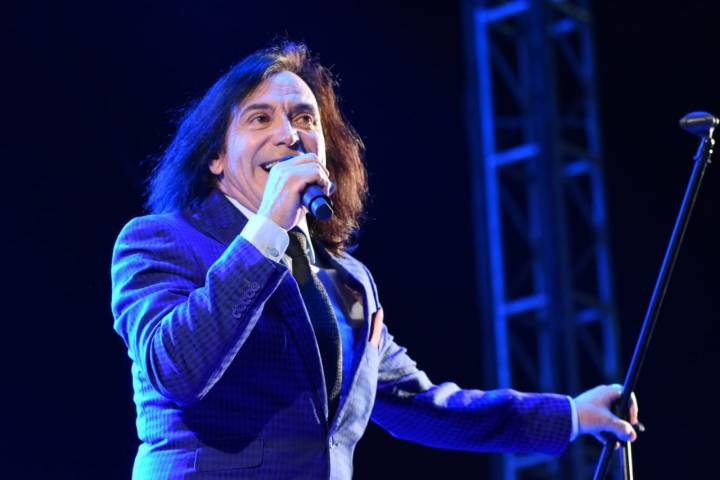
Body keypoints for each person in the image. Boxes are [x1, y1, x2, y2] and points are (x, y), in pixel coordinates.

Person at [111, 40, 639, 479]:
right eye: (259, 118)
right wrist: (267, 227)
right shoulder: (162, 242)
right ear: (216, 156)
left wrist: (570, 415)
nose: (288, 134)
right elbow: (176, 368)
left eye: (304, 118)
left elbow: (419, 404)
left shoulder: (345, 280)